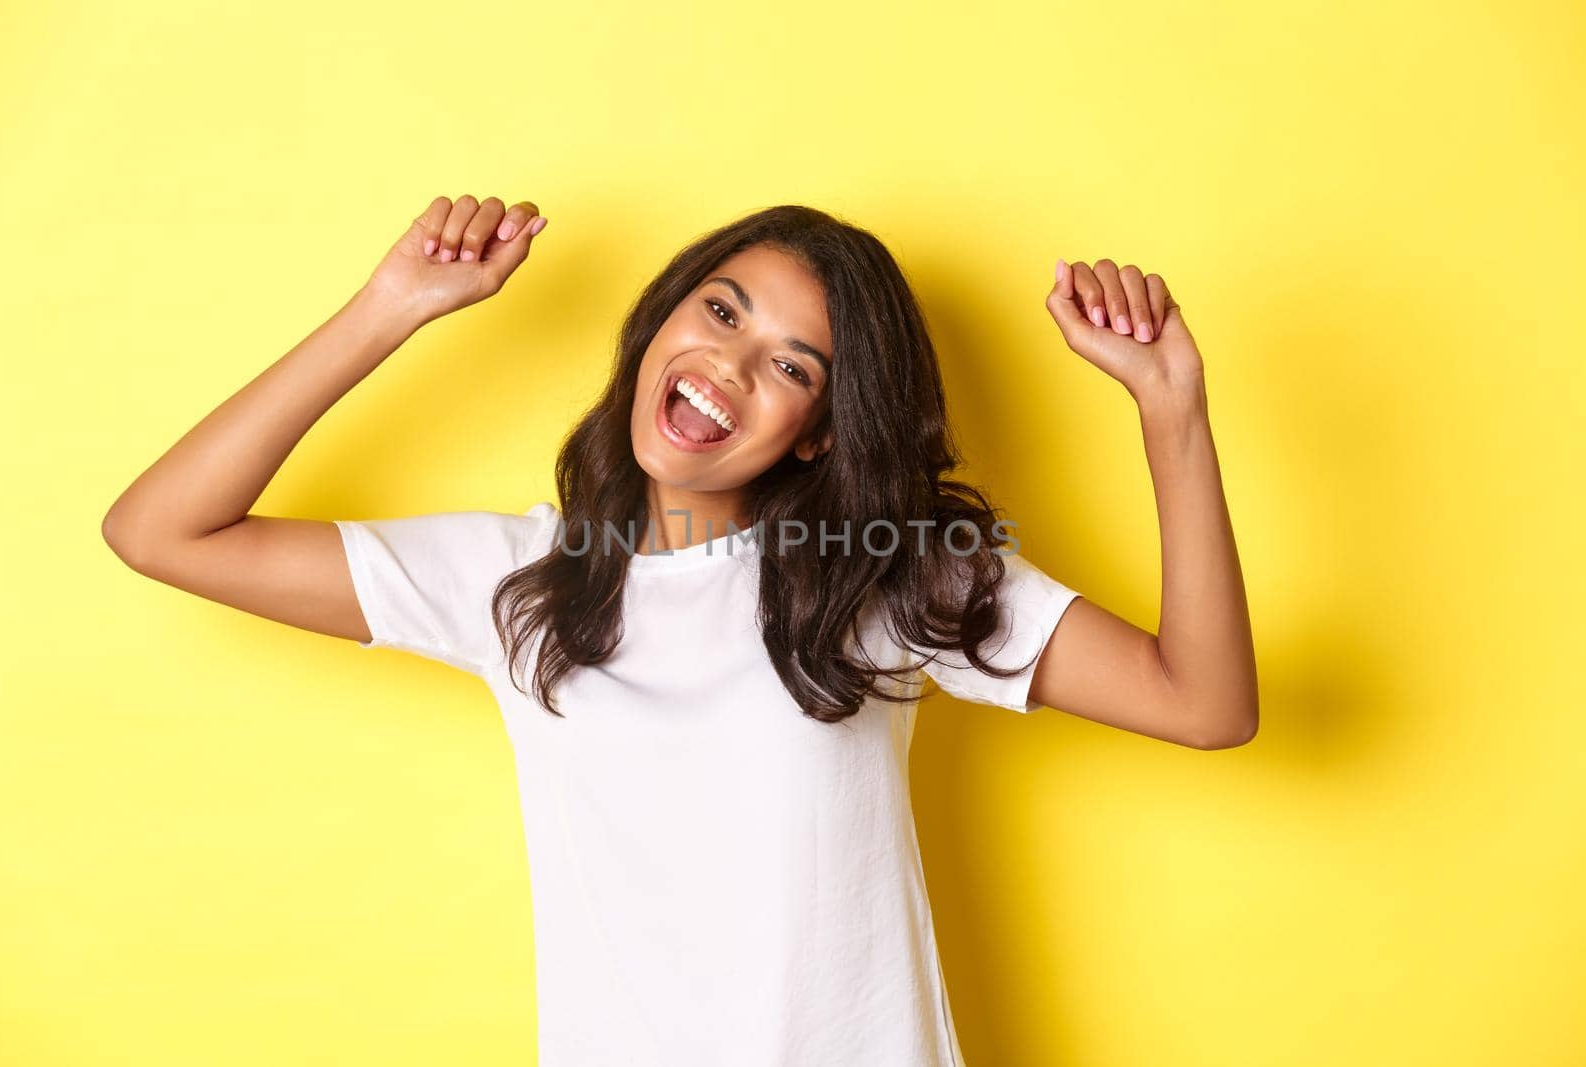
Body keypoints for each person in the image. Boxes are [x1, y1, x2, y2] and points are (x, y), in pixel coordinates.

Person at [101, 194, 1259, 1065]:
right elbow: (162, 530)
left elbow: (1202, 702)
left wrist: (1172, 413)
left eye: (789, 365)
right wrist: (391, 307)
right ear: (662, 318)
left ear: (816, 432)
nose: (729, 368)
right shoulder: (517, 580)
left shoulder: (879, 577)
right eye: (719, 310)